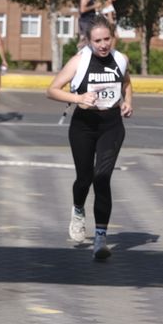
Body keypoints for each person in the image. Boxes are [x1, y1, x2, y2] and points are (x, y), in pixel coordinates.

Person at [48, 19, 134, 260]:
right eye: (98, 41)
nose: (104, 45)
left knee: (102, 177)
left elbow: (126, 82)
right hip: (83, 126)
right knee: (85, 179)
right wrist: (78, 99)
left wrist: (128, 101)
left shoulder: (120, 59)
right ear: (88, 41)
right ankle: (78, 210)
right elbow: (52, 89)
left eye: (107, 39)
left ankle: (100, 238)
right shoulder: (80, 60)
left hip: (111, 126)